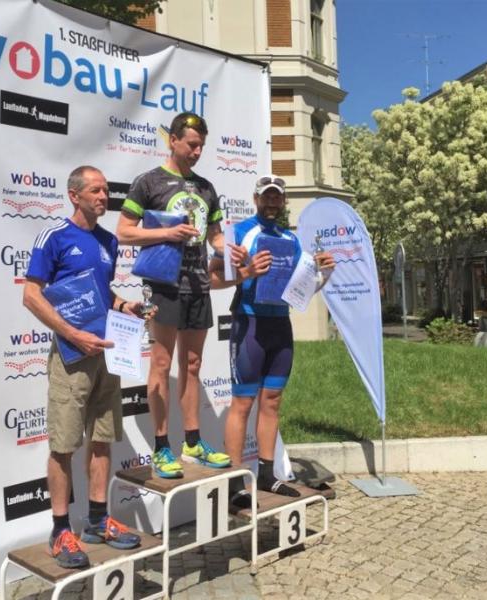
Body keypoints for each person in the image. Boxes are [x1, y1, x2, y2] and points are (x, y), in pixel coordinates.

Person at [23, 165, 152, 569]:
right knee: (63, 445)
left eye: (105, 191)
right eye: (95, 190)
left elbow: (102, 292)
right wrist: (73, 334)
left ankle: (97, 521)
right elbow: (31, 295)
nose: (103, 197)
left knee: (101, 439)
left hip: (106, 352)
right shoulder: (54, 237)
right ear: (74, 195)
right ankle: (61, 530)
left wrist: (124, 305)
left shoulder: (109, 241)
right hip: (71, 356)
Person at [117, 112, 240, 478]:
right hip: (163, 286)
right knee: (160, 364)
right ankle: (161, 446)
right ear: (173, 140)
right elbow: (124, 231)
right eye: (191, 145)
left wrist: (230, 250)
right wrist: (165, 234)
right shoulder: (149, 182)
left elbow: (215, 236)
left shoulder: (206, 188)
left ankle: (192, 441)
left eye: (202, 146)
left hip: (198, 285)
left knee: (193, 365)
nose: (197, 152)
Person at [209, 175, 335, 508]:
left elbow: (301, 290)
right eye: (266, 196)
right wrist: (248, 272)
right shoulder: (239, 233)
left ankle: (266, 473)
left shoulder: (290, 240)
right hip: (249, 323)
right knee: (243, 403)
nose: (271, 202)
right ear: (255, 199)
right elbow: (212, 278)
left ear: (283, 201)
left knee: (273, 400)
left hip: (280, 324)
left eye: (277, 197)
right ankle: (235, 481)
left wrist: (324, 274)